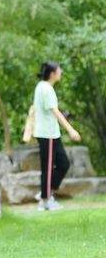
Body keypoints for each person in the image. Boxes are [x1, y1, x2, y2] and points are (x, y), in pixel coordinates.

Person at [33, 62, 81, 211]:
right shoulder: (45, 88)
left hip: (53, 134)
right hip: (47, 134)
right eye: (59, 70)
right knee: (47, 168)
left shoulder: (44, 87)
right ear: (52, 73)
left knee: (63, 164)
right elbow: (55, 112)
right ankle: (46, 201)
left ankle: (45, 192)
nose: (61, 72)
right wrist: (71, 130)